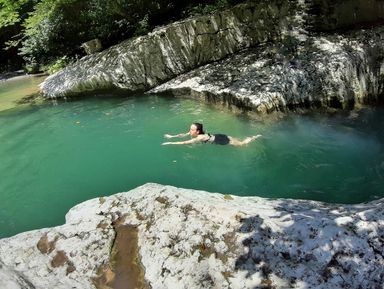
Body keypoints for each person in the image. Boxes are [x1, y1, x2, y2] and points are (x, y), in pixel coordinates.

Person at [162, 122, 261, 146]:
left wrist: (170, 143)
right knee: (237, 140)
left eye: (192, 130)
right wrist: (172, 136)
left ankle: (254, 137)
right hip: (218, 135)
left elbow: (184, 142)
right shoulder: (197, 132)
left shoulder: (199, 137)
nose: (190, 131)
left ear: (197, 131)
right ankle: (249, 137)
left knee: (241, 144)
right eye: (190, 129)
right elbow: (183, 135)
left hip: (220, 140)